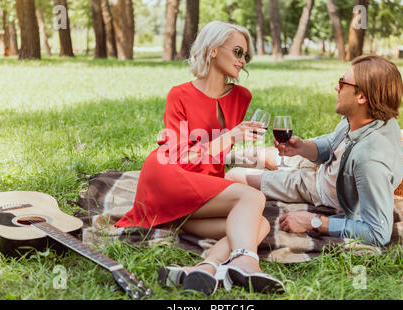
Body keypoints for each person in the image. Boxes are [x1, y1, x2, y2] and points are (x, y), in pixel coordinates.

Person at [115, 21, 284, 295]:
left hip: (201, 185)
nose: (242, 61)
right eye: (238, 52)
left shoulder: (242, 97)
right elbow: (182, 156)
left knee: (258, 223)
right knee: (253, 198)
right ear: (214, 50)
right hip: (167, 173)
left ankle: (203, 269)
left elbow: (215, 157)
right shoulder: (179, 95)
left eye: (246, 56)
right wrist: (231, 137)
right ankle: (247, 263)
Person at [226, 55, 403, 247]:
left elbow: (378, 233)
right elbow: (333, 143)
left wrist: (314, 221)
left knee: (234, 176)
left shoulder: (369, 160)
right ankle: (208, 155)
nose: (337, 87)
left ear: (361, 97)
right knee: (256, 154)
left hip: (314, 187)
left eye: (342, 83)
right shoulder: (367, 116)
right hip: (320, 167)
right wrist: (302, 147)